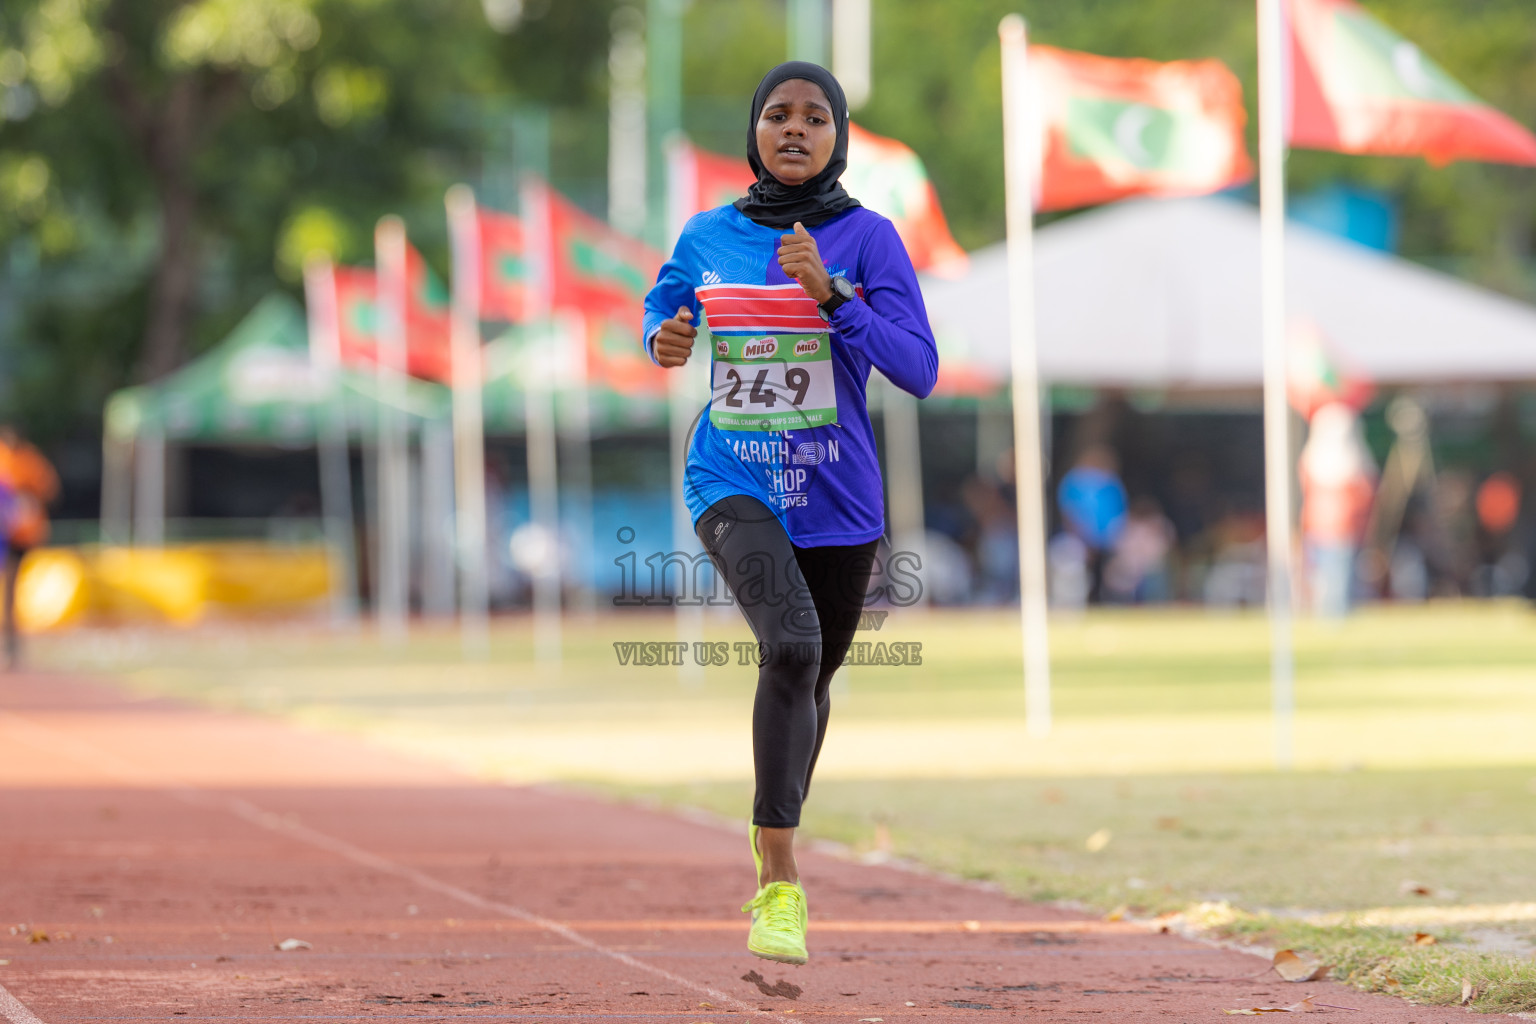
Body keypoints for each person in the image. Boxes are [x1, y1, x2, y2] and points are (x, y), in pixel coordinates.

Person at [642, 62, 938, 965]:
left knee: (811, 682)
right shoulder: (708, 235)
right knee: (794, 647)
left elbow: (920, 370)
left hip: (840, 502)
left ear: (837, 136)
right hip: (731, 478)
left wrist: (833, 295)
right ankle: (780, 879)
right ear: (755, 133)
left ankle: (770, 824)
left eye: (815, 116)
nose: (795, 129)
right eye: (777, 114)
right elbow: (663, 305)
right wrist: (665, 334)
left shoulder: (869, 239)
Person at [1299, 402, 1376, 617]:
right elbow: (1364, 490)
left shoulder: (1315, 460)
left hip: (1326, 526)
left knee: (1331, 575)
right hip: (1335, 527)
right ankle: (1332, 614)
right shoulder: (1346, 461)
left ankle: (1332, 613)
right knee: (1333, 575)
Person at [0, 426, 59, 668]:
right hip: (6, 533)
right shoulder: (4, 457)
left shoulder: (30, 461)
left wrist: (27, 499)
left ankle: (11, 646)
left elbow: (49, 490)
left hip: (19, 537)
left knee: (11, 592)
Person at [1055, 445, 1127, 604]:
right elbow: (1069, 513)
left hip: (1107, 542)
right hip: (1079, 540)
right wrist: (1084, 539)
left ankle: (1109, 601)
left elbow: (1119, 512)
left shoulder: (1111, 483)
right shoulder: (1074, 481)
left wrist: (1113, 539)